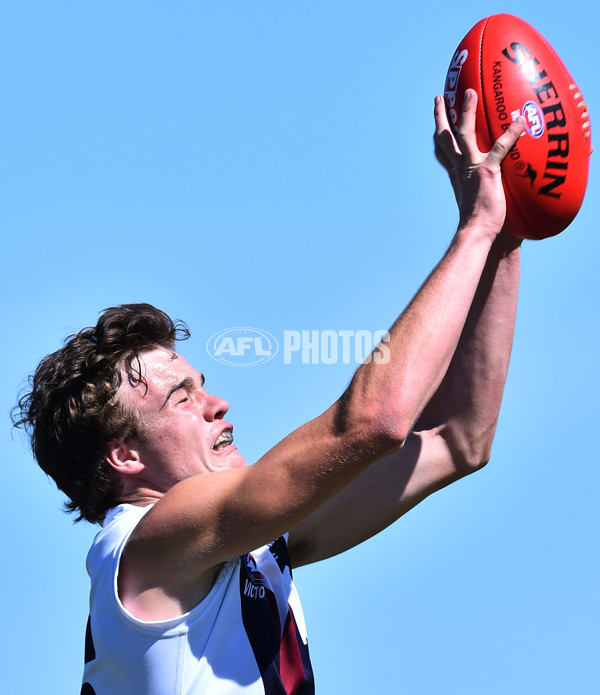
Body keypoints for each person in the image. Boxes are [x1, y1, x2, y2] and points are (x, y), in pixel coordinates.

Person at [14, 90, 526, 695]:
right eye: (181, 399)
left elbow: (458, 439)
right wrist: (475, 229)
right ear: (124, 456)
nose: (217, 403)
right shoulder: (147, 541)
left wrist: (506, 227)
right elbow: (374, 424)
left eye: (200, 386)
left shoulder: (246, 546)